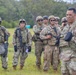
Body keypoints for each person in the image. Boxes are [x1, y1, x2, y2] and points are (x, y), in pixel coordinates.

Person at [59, 8, 76, 75]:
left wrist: (72, 39)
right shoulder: (66, 27)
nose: (68, 16)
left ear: (75, 15)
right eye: (67, 15)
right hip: (64, 56)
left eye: (70, 15)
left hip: (74, 56)